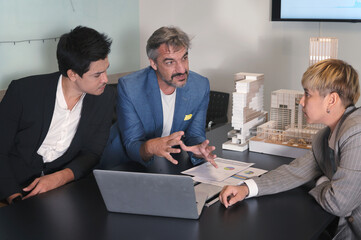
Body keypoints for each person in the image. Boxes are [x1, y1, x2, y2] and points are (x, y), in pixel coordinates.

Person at [219, 59, 361, 239]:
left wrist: (319, 182)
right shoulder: (324, 137)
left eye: (307, 94)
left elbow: (339, 203)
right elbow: (295, 172)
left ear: (331, 100)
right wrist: (246, 188)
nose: (301, 101)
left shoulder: (356, 133)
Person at [0, 26, 115, 204]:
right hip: (13, 189)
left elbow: (92, 152)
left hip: (62, 190)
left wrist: (60, 178)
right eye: (97, 74)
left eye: (106, 69)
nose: (105, 80)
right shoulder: (23, 93)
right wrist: (13, 197)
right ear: (73, 74)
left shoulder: (104, 98)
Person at [101, 26, 217, 168]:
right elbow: (132, 143)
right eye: (170, 62)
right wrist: (151, 147)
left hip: (166, 162)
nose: (181, 69)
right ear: (153, 63)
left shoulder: (199, 86)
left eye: (184, 58)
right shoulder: (130, 87)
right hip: (125, 164)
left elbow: (194, 134)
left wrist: (199, 150)